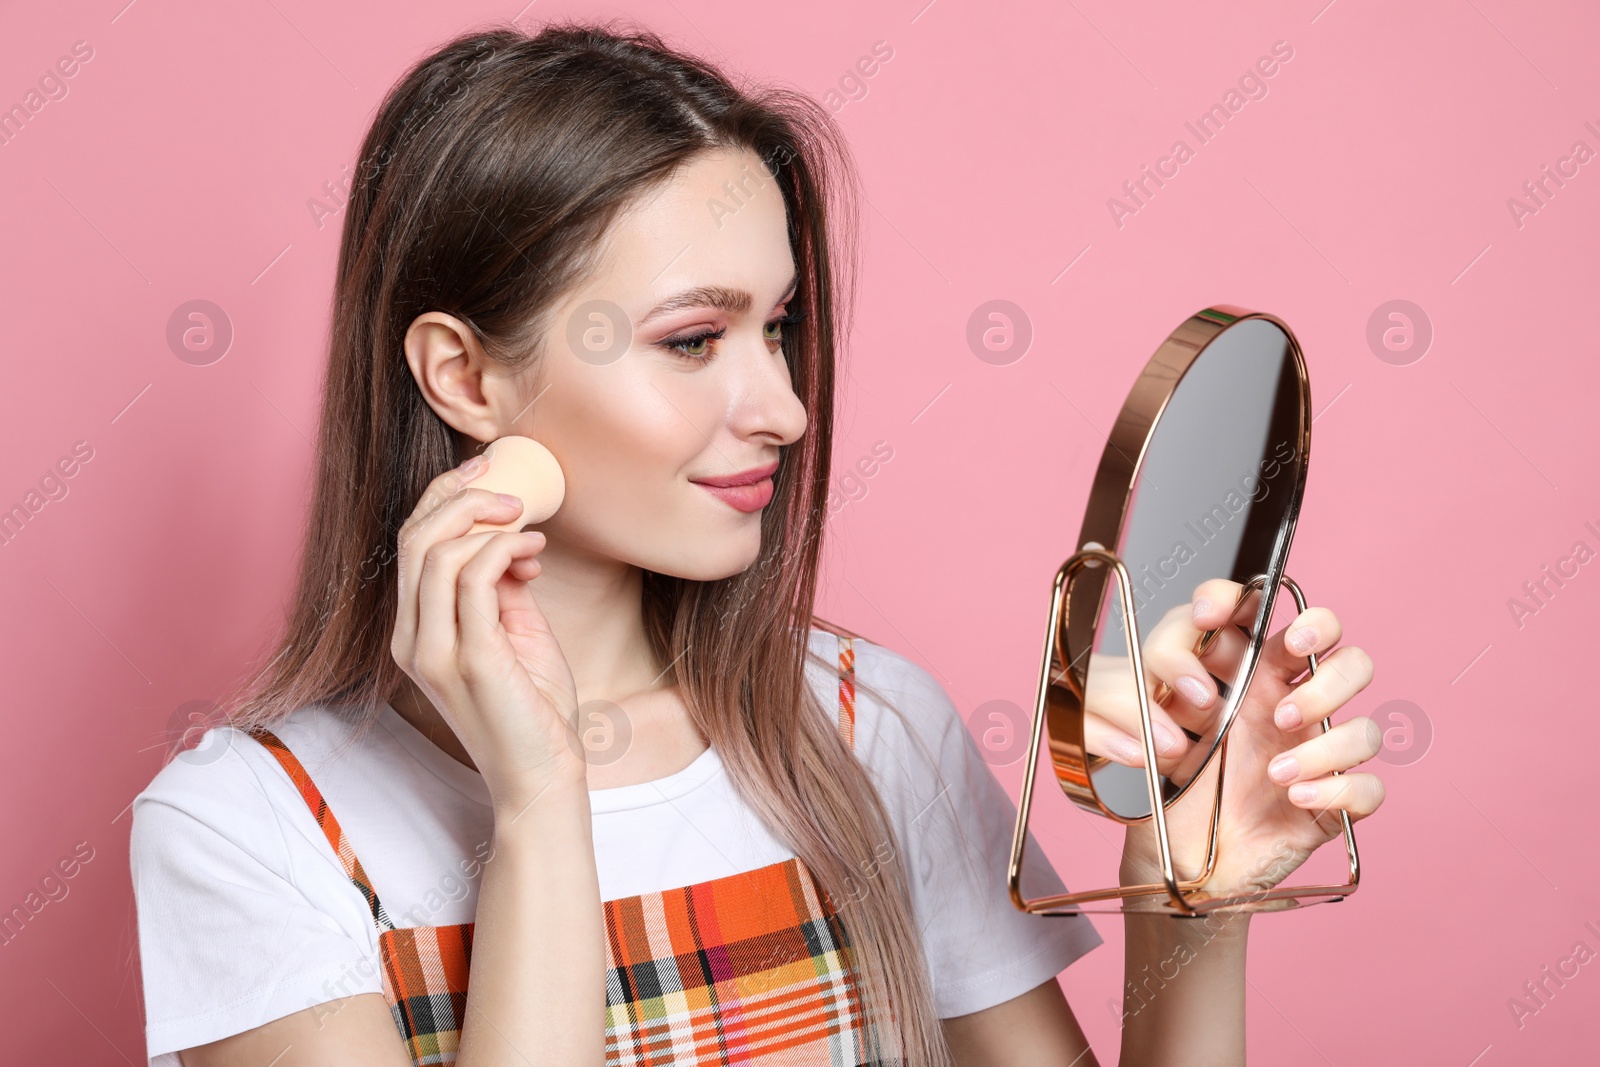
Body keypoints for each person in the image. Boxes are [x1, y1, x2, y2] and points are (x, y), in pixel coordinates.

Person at [128, 20, 1385, 1067]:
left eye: (776, 328)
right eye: (691, 340)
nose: (782, 407)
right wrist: (539, 797)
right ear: (464, 376)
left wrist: (1194, 901)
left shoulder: (865, 729)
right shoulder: (252, 832)